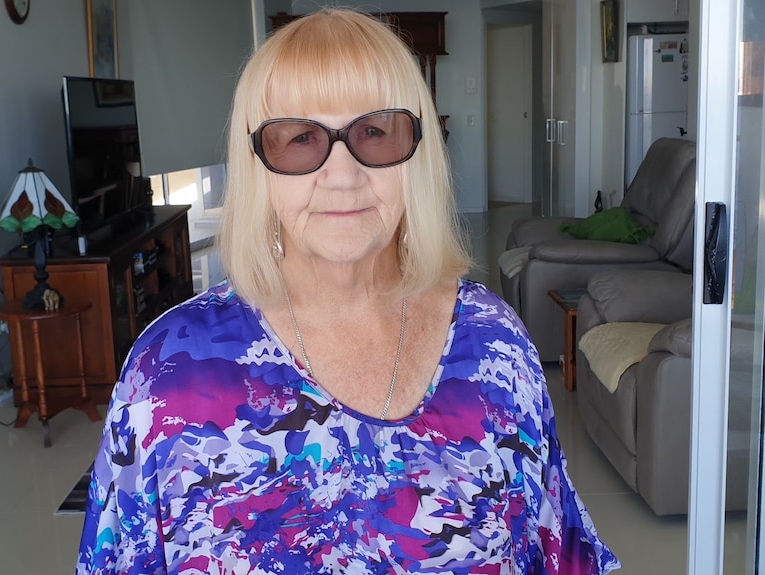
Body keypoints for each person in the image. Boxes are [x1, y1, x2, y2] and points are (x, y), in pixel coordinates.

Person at [77, 8, 620, 574]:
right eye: (299, 138)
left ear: (418, 153)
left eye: (375, 132)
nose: (341, 174)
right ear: (258, 164)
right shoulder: (169, 373)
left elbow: (556, 552)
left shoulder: (496, 347)